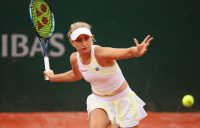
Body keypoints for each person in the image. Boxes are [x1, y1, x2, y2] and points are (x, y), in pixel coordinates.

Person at [44, 21, 153, 128]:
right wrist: (54, 77)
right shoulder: (74, 58)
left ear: (91, 38)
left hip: (124, 100)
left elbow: (127, 52)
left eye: (86, 38)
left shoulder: (100, 53)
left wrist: (136, 51)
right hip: (100, 101)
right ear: (72, 42)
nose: (84, 43)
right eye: (78, 40)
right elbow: (76, 75)